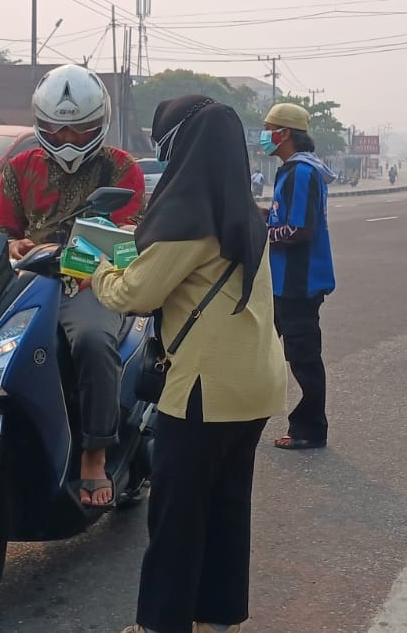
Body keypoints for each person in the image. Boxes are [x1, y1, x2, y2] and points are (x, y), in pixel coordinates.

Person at [94, 95, 286, 633]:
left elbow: (136, 292)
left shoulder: (187, 215)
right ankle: (218, 618)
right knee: (226, 508)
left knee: (177, 516)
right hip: (255, 382)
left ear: (180, 147)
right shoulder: (241, 212)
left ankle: (162, 624)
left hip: (204, 388)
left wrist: (98, 269)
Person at [0, 64, 145, 507]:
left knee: (93, 341)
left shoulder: (121, 168)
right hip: (30, 280)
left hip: (94, 281)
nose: (68, 140)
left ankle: (94, 453)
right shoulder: (19, 169)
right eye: (56, 131)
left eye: (80, 131)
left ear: (100, 124)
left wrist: (88, 262)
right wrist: (13, 243)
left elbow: (128, 237)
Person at [260, 102, 336, 451]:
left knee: (303, 358)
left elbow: (300, 229)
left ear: (284, 133)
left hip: (298, 282)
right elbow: (283, 217)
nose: (264, 135)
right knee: (267, 350)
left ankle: (309, 429)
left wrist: (262, 234)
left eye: (268, 128)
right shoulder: (291, 171)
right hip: (283, 280)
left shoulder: (302, 172)